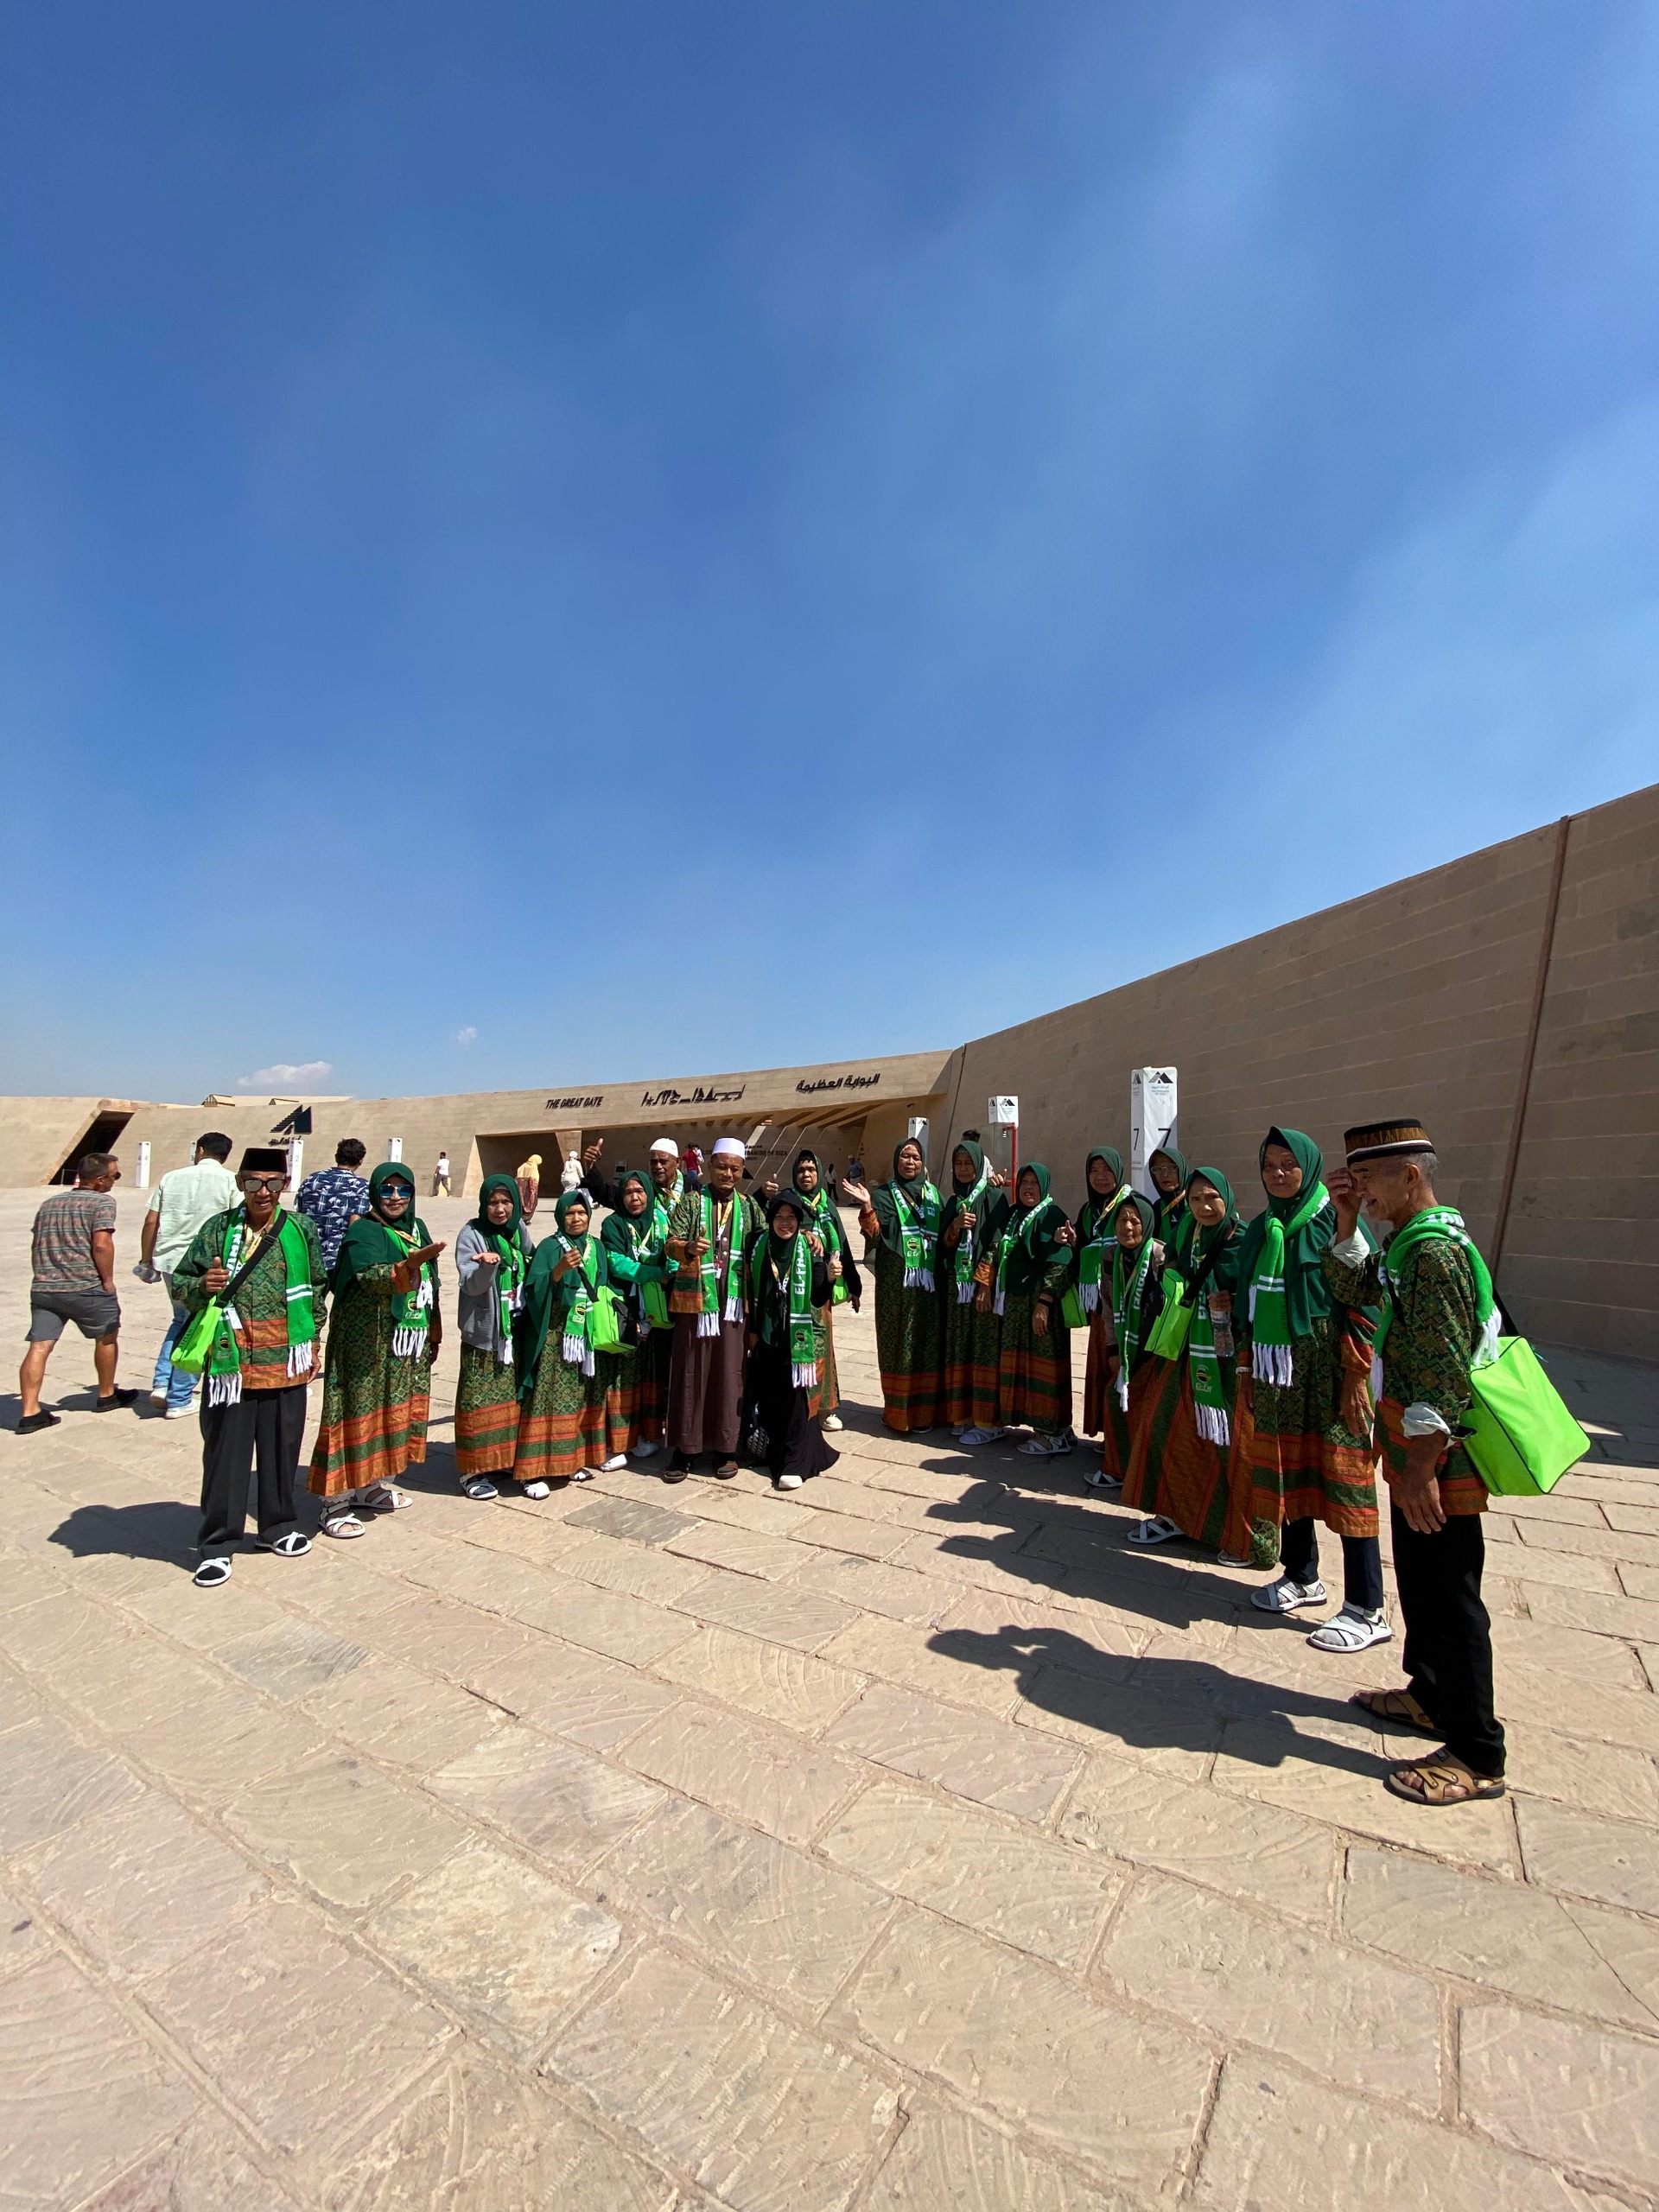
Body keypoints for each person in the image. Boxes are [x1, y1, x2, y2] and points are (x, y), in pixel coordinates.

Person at [1328, 1121, 1507, 1806]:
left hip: (1437, 1452)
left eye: (1368, 1179)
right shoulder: (1407, 1243)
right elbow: (1355, 1287)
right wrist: (1347, 1221)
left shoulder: (1433, 1253)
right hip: (1413, 1444)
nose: (1361, 1189)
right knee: (1423, 1581)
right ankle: (1430, 1695)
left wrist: (1422, 1470)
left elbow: (1441, 1365)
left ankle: (1476, 1752)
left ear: (1409, 1175)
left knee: (1451, 1593)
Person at [1237, 1128, 1388, 1653]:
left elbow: (1366, 1302)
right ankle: (1302, 1575)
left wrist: (1356, 1376)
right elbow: (1246, 1304)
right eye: (1269, 1165)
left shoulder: (1335, 1221)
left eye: (1289, 1164)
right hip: (1277, 1374)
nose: (1278, 1174)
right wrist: (1246, 1370)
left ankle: (1367, 1606)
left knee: (1347, 1479)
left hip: (1330, 1376)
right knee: (1288, 1469)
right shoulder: (1262, 1229)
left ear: (1308, 1167)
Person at [171, 1148, 327, 1586]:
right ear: (241, 1183)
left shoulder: (301, 1229)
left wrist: (313, 1338)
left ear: (284, 1185)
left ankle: (278, 1526)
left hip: (286, 1358)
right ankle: (218, 1543)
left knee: (282, 1448)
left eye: (273, 1183)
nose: (263, 1192)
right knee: (226, 1455)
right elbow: (181, 1282)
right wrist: (202, 1285)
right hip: (232, 1363)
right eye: (255, 1182)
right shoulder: (218, 1229)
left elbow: (317, 1285)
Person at [1122, 1168, 1266, 1560]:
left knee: (1233, 1446)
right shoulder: (1189, 1231)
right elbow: (1180, 1269)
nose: (1203, 1207)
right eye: (1197, 1199)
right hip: (1188, 1349)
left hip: (1230, 1361)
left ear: (1228, 1199)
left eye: (1211, 1198)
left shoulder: (1246, 1239)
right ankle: (1178, 1515)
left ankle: (1244, 1535)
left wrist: (1233, 1302)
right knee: (1165, 1427)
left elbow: (1262, 1294)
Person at [308, 1162, 444, 1536]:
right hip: (364, 1343)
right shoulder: (364, 1231)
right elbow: (368, 1277)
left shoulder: (417, 1229)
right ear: (374, 1193)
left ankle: (369, 1486)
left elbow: (431, 1283)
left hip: (403, 1341)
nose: (396, 1198)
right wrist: (404, 1268)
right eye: (387, 1190)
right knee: (356, 1411)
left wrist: (433, 1331)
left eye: (404, 1190)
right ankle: (334, 1501)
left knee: (390, 1412)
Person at [662, 1136, 763, 1480]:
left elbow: (767, 1241)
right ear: (710, 1167)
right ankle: (684, 1449)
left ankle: (725, 1447)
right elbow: (669, 1244)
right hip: (696, 1302)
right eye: (722, 1167)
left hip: (733, 1304)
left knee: (729, 1372)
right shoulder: (692, 1202)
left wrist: (805, 1236)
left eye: (735, 1169)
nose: (728, 1174)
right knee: (690, 1370)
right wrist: (688, 1247)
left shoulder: (749, 1207)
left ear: (742, 1170)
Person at [18, 1153, 134, 1433]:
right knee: (106, 1337)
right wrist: (107, 1281)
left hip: (46, 1288)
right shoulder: (103, 1202)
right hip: (87, 1286)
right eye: (115, 1176)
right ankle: (106, 1394)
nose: (115, 1181)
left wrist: (42, 1275)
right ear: (100, 1180)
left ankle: (30, 1411)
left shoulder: (49, 1203)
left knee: (39, 1346)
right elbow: (102, 1244)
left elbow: (36, 1244)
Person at [512, 1190, 614, 1487]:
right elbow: (533, 1290)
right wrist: (558, 1271)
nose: (576, 1218)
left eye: (582, 1213)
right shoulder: (549, 1246)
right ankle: (533, 1471)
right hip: (556, 1338)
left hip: (585, 1338)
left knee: (580, 1400)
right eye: (570, 1213)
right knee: (547, 1400)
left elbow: (603, 1285)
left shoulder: (596, 1247)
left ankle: (571, 1461)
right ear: (560, 1216)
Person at [845, 1139, 944, 1434]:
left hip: (928, 1289)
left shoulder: (934, 1196)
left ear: (922, 1162)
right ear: (896, 1160)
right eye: (904, 1156)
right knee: (896, 1347)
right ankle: (898, 1413)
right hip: (894, 1289)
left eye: (915, 1157)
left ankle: (925, 1415)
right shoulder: (884, 1195)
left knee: (926, 1346)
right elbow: (875, 1235)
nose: (910, 1162)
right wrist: (867, 1207)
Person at [137, 1133, 238, 1417]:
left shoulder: (171, 1177)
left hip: (170, 1261)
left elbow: (151, 1220)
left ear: (200, 1150)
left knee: (181, 1319)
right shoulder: (230, 1181)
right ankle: (179, 1396)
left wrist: (146, 1259)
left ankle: (162, 1382)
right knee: (199, 1325)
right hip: (207, 1263)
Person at [977, 1162, 1074, 1458]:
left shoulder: (1052, 1216)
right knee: (1021, 1366)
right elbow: (996, 1248)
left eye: (1034, 1182)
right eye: (1024, 1182)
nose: (1029, 1188)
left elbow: (1061, 1262)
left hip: (1038, 1306)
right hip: (1015, 1305)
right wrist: (985, 1284)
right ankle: (1049, 1427)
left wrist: (1044, 1303)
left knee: (1043, 1366)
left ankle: (1052, 1434)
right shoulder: (1014, 1215)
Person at [746, 1193, 838, 1491]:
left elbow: (818, 1297)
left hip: (796, 1342)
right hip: (767, 1337)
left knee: (795, 1401)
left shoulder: (810, 1251)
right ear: (770, 1220)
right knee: (770, 1398)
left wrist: (831, 1278)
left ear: (800, 1222)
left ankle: (794, 1462)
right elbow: (750, 1289)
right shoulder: (758, 1246)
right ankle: (770, 1450)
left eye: (791, 1218)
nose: (785, 1223)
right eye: (779, 1217)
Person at [453, 1173, 534, 1501]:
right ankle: (473, 1470)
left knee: (511, 1404)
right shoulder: (472, 1234)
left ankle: (505, 1461)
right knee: (479, 1404)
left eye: (506, 1202)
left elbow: (530, 1261)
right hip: (485, 1336)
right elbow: (471, 1285)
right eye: (493, 1202)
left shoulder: (519, 1230)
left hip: (515, 1331)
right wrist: (486, 1267)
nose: (500, 1209)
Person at [1080, 1190, 1166, 1489]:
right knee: (1115, 1401)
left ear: (1148, 1223)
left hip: (1155, 1347)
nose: (1128, 1227)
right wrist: (1114, 1349)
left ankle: (1143, 1473)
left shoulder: (1160, 1256)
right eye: (1122, 1220)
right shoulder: (1110, 1256)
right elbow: (1108, 1303)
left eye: (1135, 1221)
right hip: (1125, 1344)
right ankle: (1119, 1468)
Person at [785, 1147, 861, 1430]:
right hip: (793, 1290)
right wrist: (803, 1234)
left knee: (822, 1349)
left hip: (822, 1290)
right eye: (801, 1170)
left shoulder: (827, 1204)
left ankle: (825, 1408)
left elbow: (842, 1244)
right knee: (796, 1348)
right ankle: (799, 1409)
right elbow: (773, 1231)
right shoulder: (788, 1201)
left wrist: (854, 1285)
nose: (806, 1175)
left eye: (810, 1170)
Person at [601, 1166, 673, 1459]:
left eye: (640, 1191)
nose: (634, 1198)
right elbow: (616, 1262)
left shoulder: (661, 1220)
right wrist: (654, 1273)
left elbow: (672, 1254)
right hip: (626, 1307)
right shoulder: (613, 1224)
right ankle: (617, 1443)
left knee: (649, 1375)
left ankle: (644, 1435)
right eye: (628, 1192)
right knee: (623, 1377)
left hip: (657, 1310)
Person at [939, 1136, 1006, 1440]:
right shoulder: (953, 1201)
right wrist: (955, 1226)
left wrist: (984, 1283)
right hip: (957, 1289)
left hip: (982, 1290)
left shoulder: (993, 1197)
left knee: (984, 1351)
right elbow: (944, 1246)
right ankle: (963, 1414)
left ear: (980, 1165)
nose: (964, 1169)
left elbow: (998, 1242)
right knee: (960, 1348)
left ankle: (988, 1423)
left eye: (969, 1163)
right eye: (959, 1164)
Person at [1066, 1147, 1135, 1440]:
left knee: (1121, 1368)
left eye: (1107, 1169)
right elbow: (1085, 1247)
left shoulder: (1130, 1205)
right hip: (1099, 1308)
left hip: (1124, 1304)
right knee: (1101, 1369)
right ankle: (1108, 1435)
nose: (1100, 1176)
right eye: (1094, 1170)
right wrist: (1073, 1241)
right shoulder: (1088, 1210)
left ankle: (1122, 1440)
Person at [296, 1139, 372, 1272]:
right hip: (337, 1261)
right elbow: (355, 1226)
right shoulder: (361, 1187)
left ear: (337, 1156)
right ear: (360, 1160)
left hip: (307, 1254)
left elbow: (299, 1216)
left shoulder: (311, 1180)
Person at [1147, 1145, 1192, 1247]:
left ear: (1181, 1169)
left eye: (1172, 1168)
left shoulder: (1195, 1203)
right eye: (1157, 1169)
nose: (1165, 1174)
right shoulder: (1156, 1208)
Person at [515, 1154, 543, 1223]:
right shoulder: (533, 1168)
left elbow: (517, 1177)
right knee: (532, 1203)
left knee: (522, 1202)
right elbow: (533, 1179)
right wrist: (533, 1191)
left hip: (521, 1188)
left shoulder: (523, 1166)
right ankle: (526, 1218)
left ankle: (522, 1217)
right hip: (530, 1187)